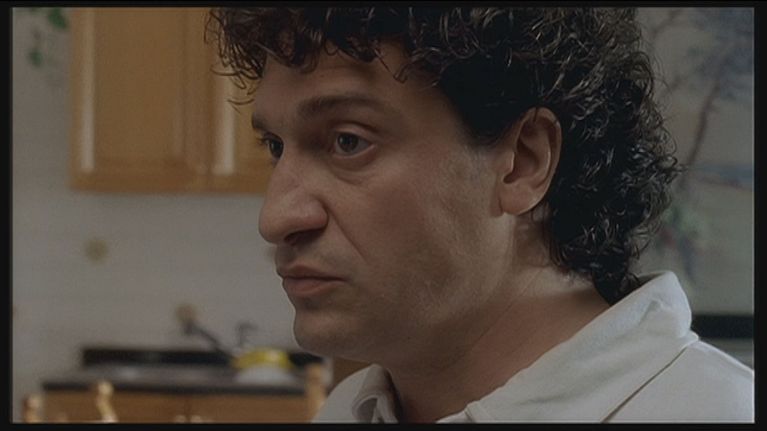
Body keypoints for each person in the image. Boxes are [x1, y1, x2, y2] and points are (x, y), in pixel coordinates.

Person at [206, 7, 754, 423]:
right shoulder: (346, 411)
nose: (276, 217)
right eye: (276, 147)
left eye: (348, 141)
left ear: (524, 162)